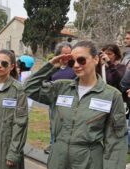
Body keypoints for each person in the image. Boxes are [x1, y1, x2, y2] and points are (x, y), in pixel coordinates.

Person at [24, 41, 127, 169]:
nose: (76, 65)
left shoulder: (111, 95)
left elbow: (116, 142)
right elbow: (29, 88)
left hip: (88, 161)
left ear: (95, 59)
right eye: (72, 62)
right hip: (58, 159)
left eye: (81, 60)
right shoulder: (61, 87)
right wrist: (51, 66)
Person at [44, 42, 76, 154]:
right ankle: (53, 143)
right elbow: (45, 81)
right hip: (54, 101)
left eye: (69, 54)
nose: (66, 56)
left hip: (70, 102)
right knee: (53, 123)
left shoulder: (74, 67)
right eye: (64, 54)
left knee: (68, 124)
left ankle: (66, 146)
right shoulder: (52, 67)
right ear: (58, 55)